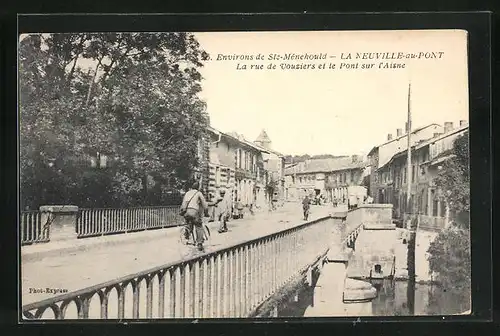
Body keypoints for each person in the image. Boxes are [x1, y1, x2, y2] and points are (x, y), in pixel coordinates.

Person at [180, 181, 208, 251]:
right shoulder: (198, 193)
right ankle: (199, 243)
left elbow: (183, 204)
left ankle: (187, 235)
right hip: (194, 212)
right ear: (198, 187)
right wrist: (206, 212)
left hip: (186, 212)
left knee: (189, 223)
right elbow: (204, 204)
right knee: (199, 226)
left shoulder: (187, 193)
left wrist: (183, 212)